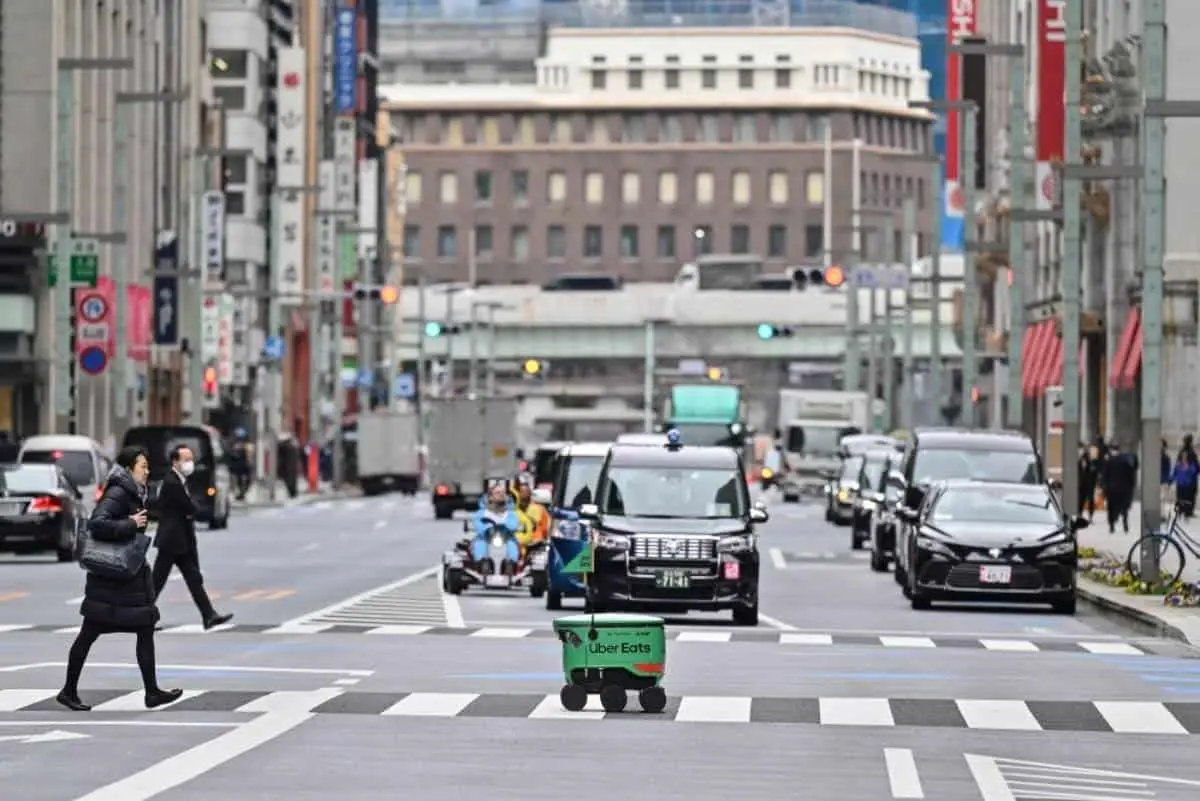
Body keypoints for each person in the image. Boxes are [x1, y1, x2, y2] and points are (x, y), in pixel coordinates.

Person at [58, 446, 182, 711]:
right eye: (143, 466)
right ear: (128, 469)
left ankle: (151, 692)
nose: (147, 471)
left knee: (144, 628)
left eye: (148, 467)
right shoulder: (118, 492)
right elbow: (97, 523)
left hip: (125, 577)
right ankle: (68, 690)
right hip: (111, 579)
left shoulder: (133, 493)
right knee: (89, 633)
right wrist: (130, 523)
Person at [151, 445, 232, 630]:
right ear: (175, 462)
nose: (190, 464)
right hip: (171, 541)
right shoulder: (172, 482)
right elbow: (188, 507)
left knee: (194, 579)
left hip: (180, 540)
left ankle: (209, 615)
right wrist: (194, 510)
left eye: (191, 460)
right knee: (157, 582)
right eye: (185, 460)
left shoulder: (180, 480)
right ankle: (141, 618)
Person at [1102, 441, 1139, 534]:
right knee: (1124, 508)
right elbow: (1130, 475)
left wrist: (1104, 486)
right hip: (1123, 489)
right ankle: (1125, 523)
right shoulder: (1125, 461)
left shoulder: (1109, 461)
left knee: (1111, 508)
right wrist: (1131, 486)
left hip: (1112, 489)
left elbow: (1105, 475)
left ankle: (1111, 525)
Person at [511, 474, 550, 551]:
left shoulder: (539, 509)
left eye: (525, 490)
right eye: (519, 490)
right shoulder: (508, 510)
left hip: (534, 548)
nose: (522, 494)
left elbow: (547, 531)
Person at [1172, 452, 1199, 518]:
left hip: (1187, 486)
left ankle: (1187, 512)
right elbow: (1175, 474)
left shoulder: (1191, 465)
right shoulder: (1178, 465)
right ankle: (1180, 511)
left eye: (1185, 456)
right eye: (1183, 456)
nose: (1184, 458)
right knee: (1180, 499)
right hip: (1180, 485)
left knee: (1187, 499)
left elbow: (1193, 473)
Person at [1079, 442, 1099, 520]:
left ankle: (1090, 516)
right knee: (1081, 500)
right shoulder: (1079, 459)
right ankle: (1080, 514)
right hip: (1082, 484)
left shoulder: (1091, 461)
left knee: (1090, 501)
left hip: (1089, 484)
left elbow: (1094, 472)